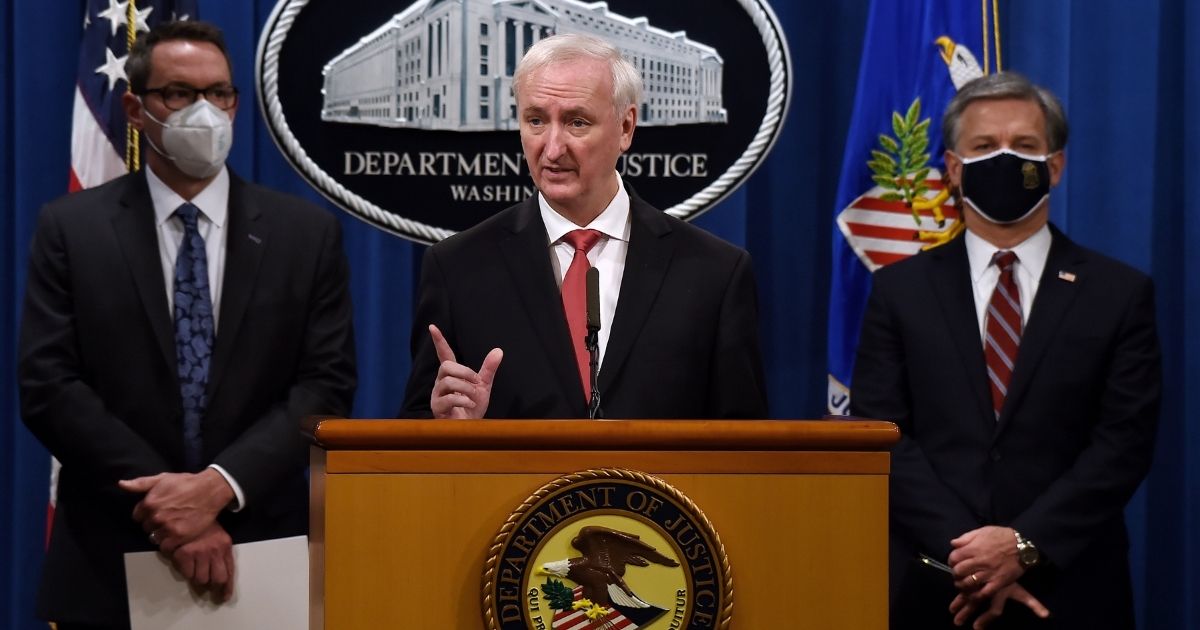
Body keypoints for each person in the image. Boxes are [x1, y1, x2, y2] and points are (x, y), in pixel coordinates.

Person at [18, 20, 356, 629]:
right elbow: (49, 386)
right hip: (107, 559)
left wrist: (219, 488)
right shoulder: (72, 228)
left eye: (219, 93)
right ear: (134, 108)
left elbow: (325, 386)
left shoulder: (305, 235)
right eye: (178, 93)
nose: (205, 111)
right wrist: (169, 505)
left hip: (261, 552)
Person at [851, 72, 1160, 630]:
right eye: (984, 147)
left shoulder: (1119, 293)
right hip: (939, 587)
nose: (1004, 159)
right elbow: (881, 433)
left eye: (1023, 146)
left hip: (1073, 589)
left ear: (1056, 166)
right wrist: (973, 557)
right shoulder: (900, 291)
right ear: (952, 168)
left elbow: (1124, 443)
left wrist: (1022, 544)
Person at [400, 33, 766, 419]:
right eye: (536, 120)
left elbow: (746, 454)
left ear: (626, 128)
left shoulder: (715, 274)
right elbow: (412, 436)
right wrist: (447, 428)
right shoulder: (457, 268)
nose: (552, 148)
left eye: (576, 122)